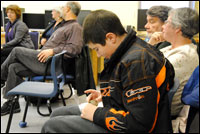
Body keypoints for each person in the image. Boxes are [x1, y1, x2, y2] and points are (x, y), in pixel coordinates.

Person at [41, 9, 175, 133]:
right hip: (122, 112)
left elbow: (139, 124)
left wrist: (95, 114)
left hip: (134, 128)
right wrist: (108, 93)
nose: (98, 55)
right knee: (57, 114)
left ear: (111, 37)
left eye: (97, 49)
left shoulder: (136, 62)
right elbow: (131, 88)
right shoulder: (133, 49)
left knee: (52, 126)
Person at [1, 1, 82, 116]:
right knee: (14, 67)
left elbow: (75, 49)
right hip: (43, 61)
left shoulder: (75, 27)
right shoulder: (63, 25)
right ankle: (12, 104)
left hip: (51, 65)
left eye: (63, 7)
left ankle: (1, 76)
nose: (61, 9)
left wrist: (53, 51)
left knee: (16, 51)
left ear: (68, 9)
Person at [160, 8, 199, 118]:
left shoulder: (182, 56)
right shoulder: (171, 48)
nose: (163, 26)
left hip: (164, 114)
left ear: (178, 28)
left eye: (167, 22)